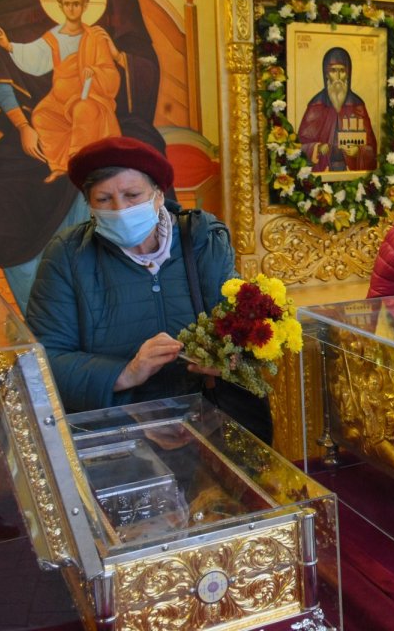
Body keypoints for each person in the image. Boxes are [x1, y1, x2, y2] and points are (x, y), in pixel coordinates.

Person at [0, 0, 162, 312]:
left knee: (143, 163)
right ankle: (40, 306)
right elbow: (0, 52)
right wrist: (21, 123)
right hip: (45, 112)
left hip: (107, 110)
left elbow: (143, 55)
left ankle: (131, 296)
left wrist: (117, 58)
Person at [26, 136, 271, 442]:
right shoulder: (67, 255)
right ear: (89, 204)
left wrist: (232, 358)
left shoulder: (202, 239)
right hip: (118, 434)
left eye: (132, 195)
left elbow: (247, 328)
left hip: (211, 426)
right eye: (104, 199)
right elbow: (45, 357)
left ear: (158, 195)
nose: (120, 209)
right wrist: (126, 372)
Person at [0, 0, 122, 182]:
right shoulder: (53, 37)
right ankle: (60, 166)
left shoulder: (95, 37)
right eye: (67, 4)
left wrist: (94, 72)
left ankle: (79, 163)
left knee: (83, 110)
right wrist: (9, 47)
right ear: (60, 6)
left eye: (76, 4)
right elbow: (34, 54)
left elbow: (111, 75)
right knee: (41, 116)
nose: (71, 8)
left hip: (90, 97)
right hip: (59, 100)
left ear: (85, 5)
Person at [296, 46, 377, 172]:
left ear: (348, 74)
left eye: (342, 71)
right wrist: (317, 148)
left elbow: (372, 148)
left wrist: (358, 150)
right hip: (323, 171)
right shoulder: (316, 104)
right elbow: (299, 146)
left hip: (350, 172)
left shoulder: (357, 105)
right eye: (333, 71)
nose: (338, 77)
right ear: (326, 74)